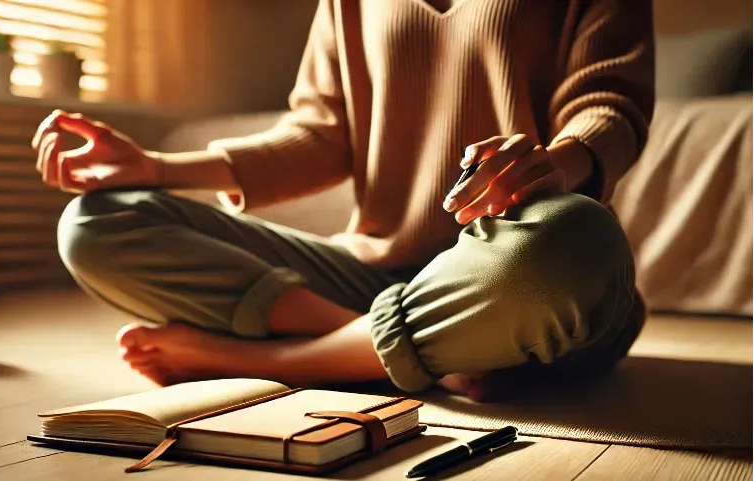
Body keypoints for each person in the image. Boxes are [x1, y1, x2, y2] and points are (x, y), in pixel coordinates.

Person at [32, 0, 653, 401]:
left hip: (511, 273)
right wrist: (157, 167)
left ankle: (270, 361)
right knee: (95, 223)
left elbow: (610, 106)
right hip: (374, 277)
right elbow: (319, 134)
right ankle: (406, 350)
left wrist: (552, 163)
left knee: (580, 242)